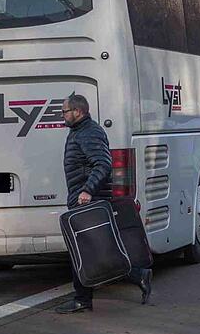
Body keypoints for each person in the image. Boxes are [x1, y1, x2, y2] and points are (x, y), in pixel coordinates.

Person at [55, 93, 152, 314]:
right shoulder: (79, 132)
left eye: (64, 111)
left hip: (90, 199)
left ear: (77, 112)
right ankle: (136, 276)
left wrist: (87, 191)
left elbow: (104, 164)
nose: (63, 115)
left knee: (85, 250)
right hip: (84, 197)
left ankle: (83, 299)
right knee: (93, 251)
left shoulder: (88, 133)